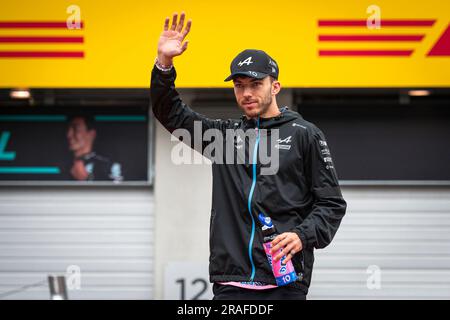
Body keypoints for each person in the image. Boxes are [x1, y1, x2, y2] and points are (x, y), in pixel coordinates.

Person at [151, 12, 347, 300]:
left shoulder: (305, 134)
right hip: (231, 283)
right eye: (239, 85)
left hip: (286, 284)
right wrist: (164, 64)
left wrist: (301, 235)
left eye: (255, 84)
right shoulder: (224, 137)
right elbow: (170, 113)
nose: (246, 92)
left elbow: (331, 204)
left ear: (275, 86)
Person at [66, 115, 123, 182]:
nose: (69, 134)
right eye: (68, 129)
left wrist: (88, 179)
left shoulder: (110, 166)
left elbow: (118, 190)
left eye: (76, 129)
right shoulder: (61, 166)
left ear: (91, 134)